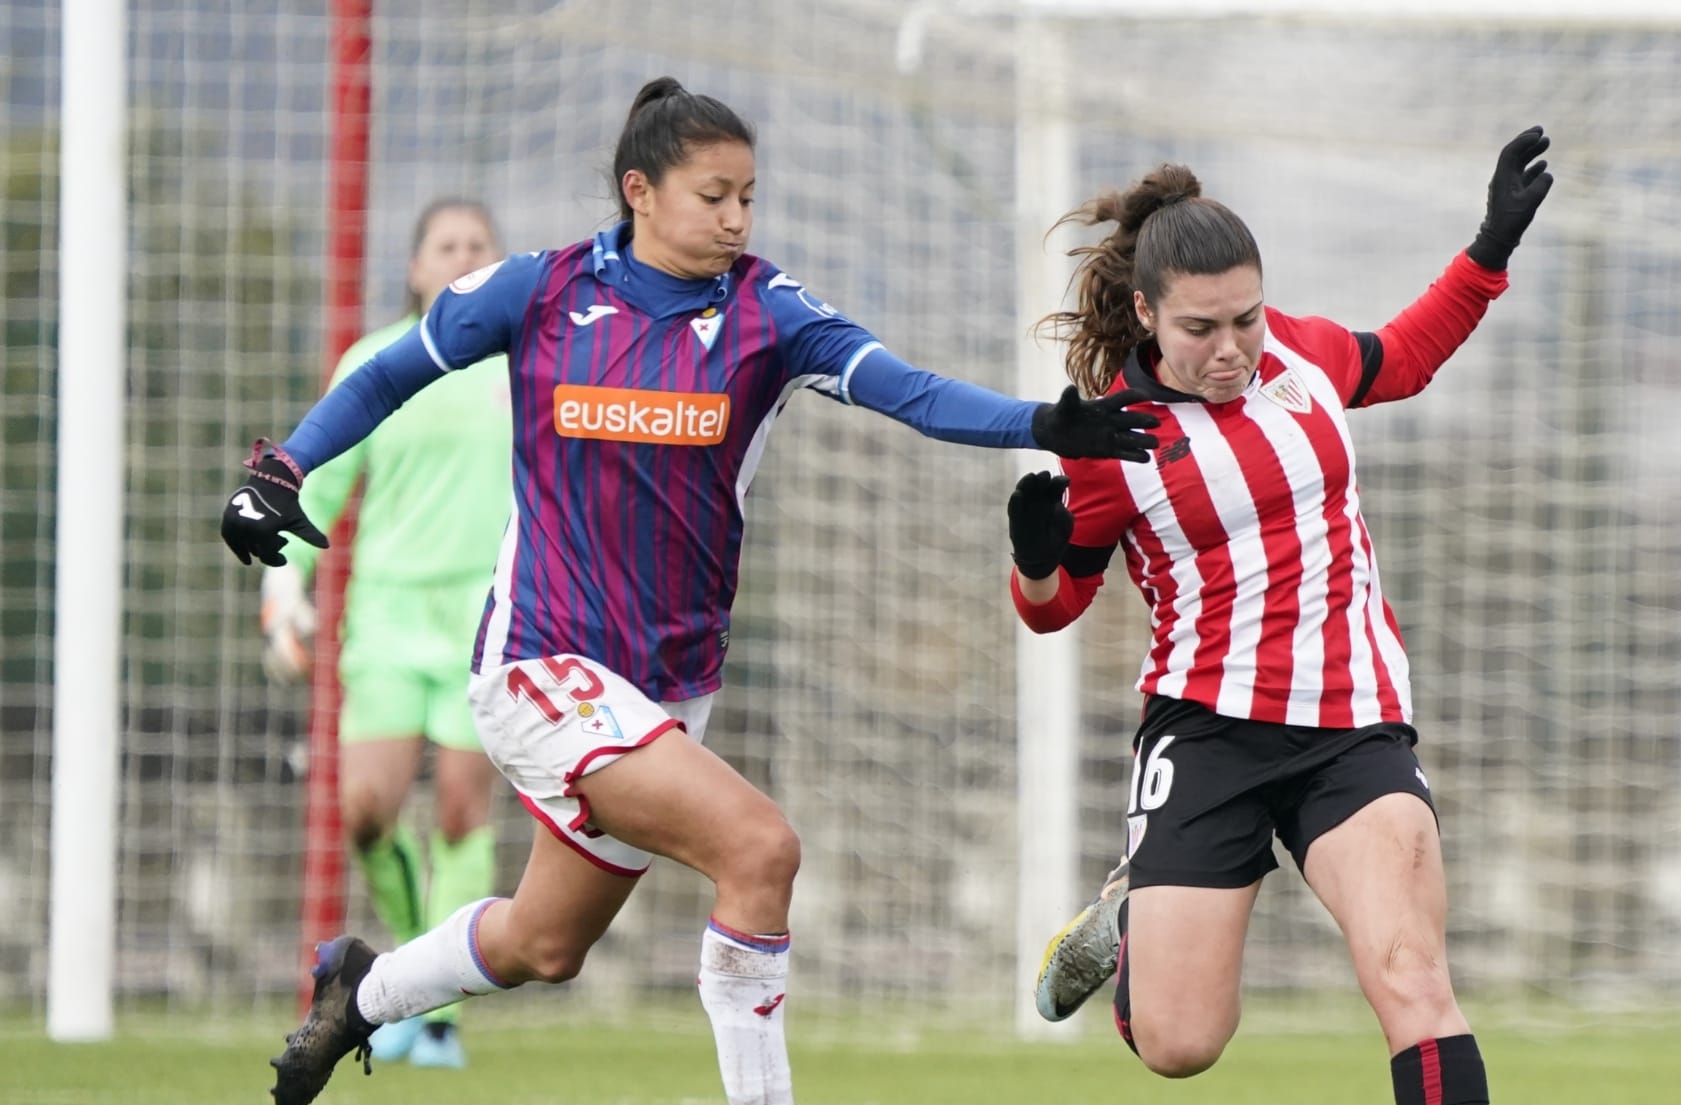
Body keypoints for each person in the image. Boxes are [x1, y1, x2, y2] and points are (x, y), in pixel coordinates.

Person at [220, 77, 1159, 1105]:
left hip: (665, 687)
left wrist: (1044, 424)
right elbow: (388, 372)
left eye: (748, 196)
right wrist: (284, 469)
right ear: (640, 190)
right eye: (713, 194)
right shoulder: (537, 290)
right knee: (761, 849)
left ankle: (361, 991)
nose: (736, 218)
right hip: (539, 662)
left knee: (542, 942)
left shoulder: (768, 312)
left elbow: (911, 390)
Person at [1008, 129, 1553, 1105]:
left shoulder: (1298, 355)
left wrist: (1488, 249)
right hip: (1205, 730)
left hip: (1351, 725)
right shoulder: (1108, 441)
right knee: (1180, 1044)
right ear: (1145, 313)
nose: (1228, 350)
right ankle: (1136, 918)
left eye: (1243, 321)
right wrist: (1037, 559)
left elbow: (1405, 357)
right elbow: (1053, 612)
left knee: (1410, 978)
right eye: (1198, 330)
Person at [259, 198, 512, 1071]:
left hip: (492, 622)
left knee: (459, 810)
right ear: (415, 268)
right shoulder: (373, 361)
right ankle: (410, 968)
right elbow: (313, 493)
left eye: (480, 244)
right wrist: (283, 590)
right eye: (446, 244)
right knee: (366, 808)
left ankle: (437, 1013)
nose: (464, 254)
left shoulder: (529, 364)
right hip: (389, 620)